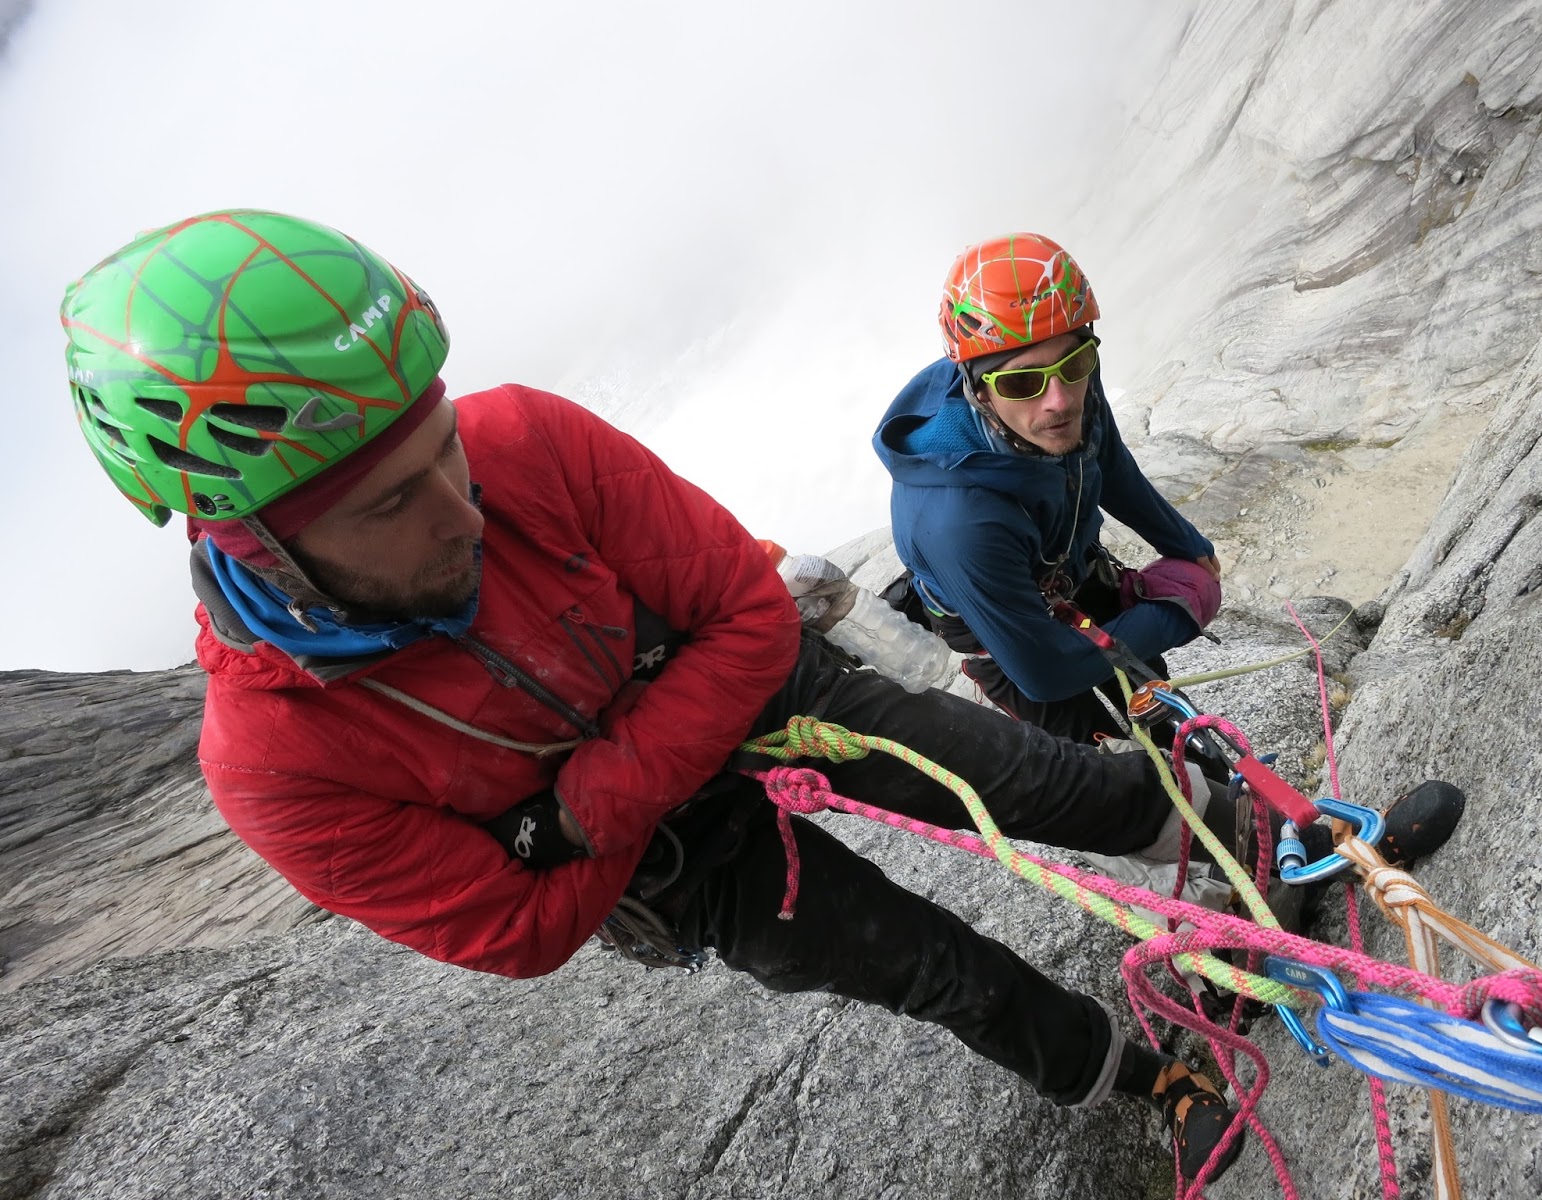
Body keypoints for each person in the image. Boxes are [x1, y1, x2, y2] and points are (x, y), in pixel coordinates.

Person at [63, 211, 1258, 1182]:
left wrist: (582, 806)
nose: (462, 508)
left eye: (442, 446)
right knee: (923, 966)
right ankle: (1145, 1081)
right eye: (389, 504)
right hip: (680, 864)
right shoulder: (277, 760)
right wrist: (671, 733)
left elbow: (745, 610)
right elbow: (516, 933)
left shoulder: (524, 438)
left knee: (1015, 775)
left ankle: (1253, 837)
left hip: (656, 801)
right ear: (255, 540)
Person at [874, 233, 1224, 746]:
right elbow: (1045, 673)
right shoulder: (958, 521)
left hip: (1071, 572)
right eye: (1022, 383)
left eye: (1075, 366)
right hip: (1006, 637)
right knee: (1107, 771)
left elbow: (1107, 462)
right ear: (976, 384)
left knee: (1165, 717)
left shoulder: (1066, 367)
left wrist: (1186, 545)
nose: (1059, 401)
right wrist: (1180, 609)